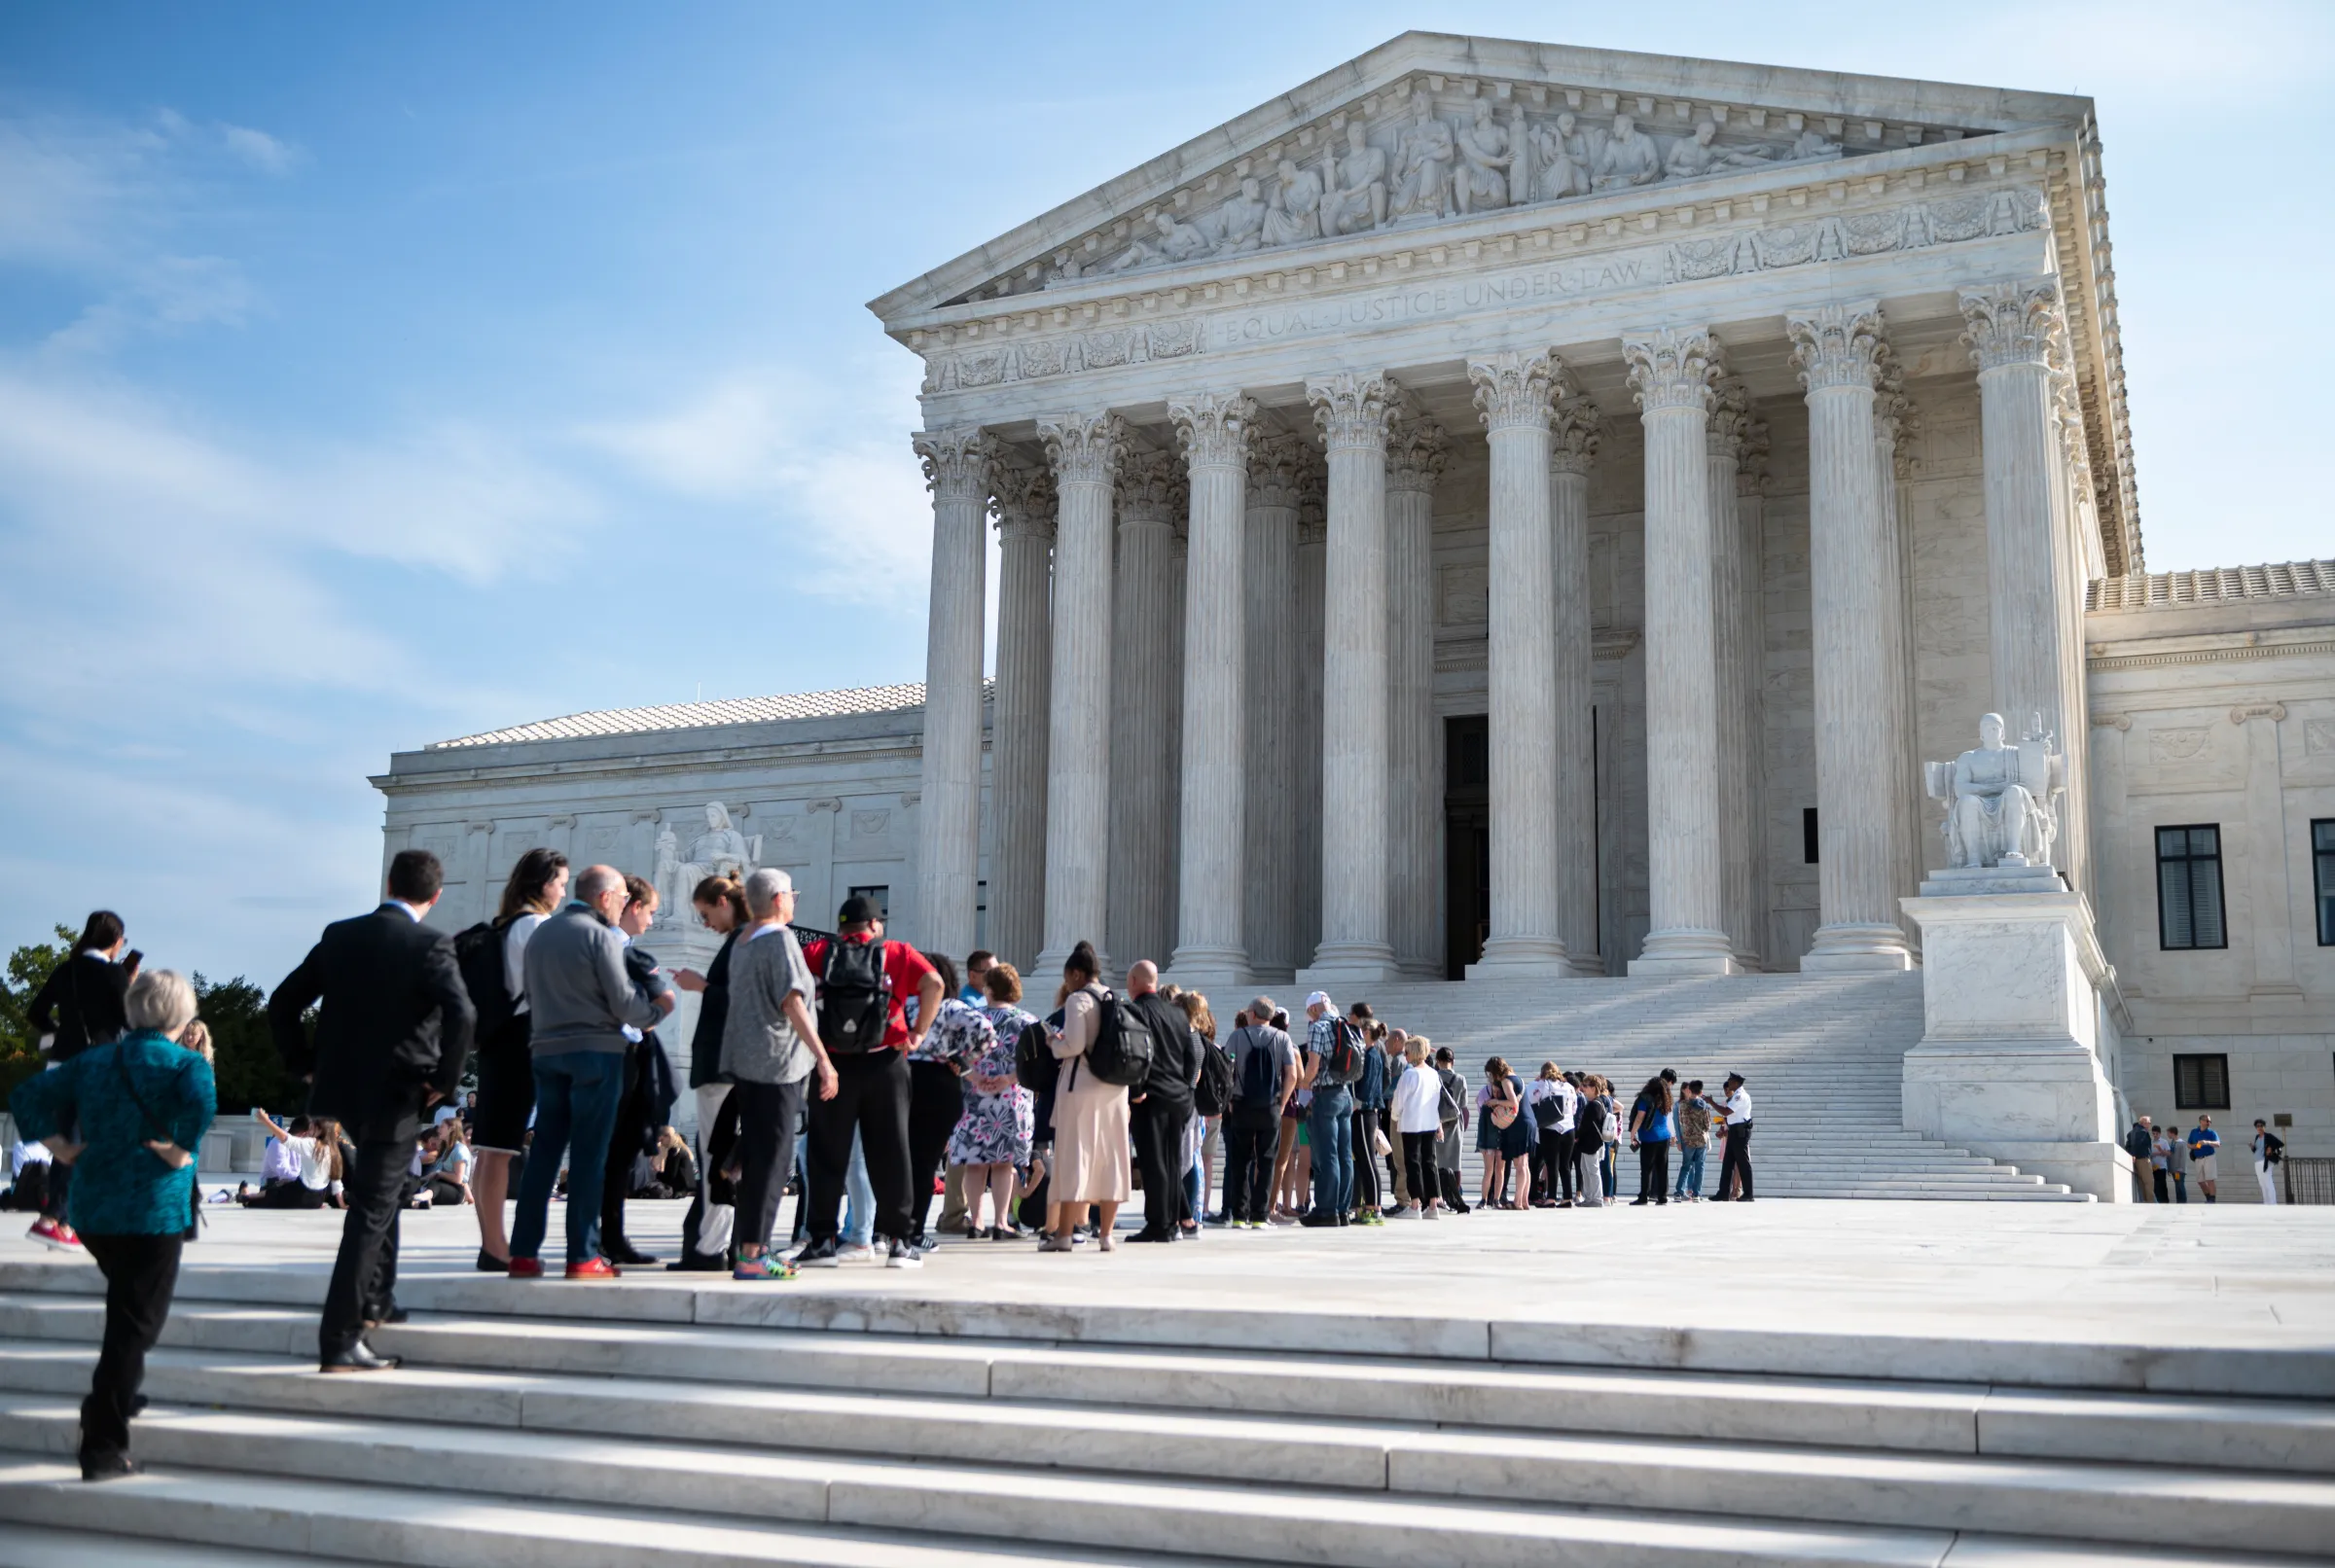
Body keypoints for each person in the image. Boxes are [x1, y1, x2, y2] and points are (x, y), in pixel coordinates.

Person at [271, 849, 475, 1371]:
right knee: (371, 1211)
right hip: (398, 1093)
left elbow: (284, 1001)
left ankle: (379, 1297)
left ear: (389, 883)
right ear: (435, 897)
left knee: (380, 1195)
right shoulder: (431, 943)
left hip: (341, 1092)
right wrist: (443, 1082)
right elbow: (463, 1014)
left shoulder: (342, 934)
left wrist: (304, 1065)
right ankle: (340, 1338)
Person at [10, 968, 214, 1480]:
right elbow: (202, 1107)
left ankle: (119, 1392)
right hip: (153, 1210)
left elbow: (27, 1096)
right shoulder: (186, 1064)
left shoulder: (95, 1059)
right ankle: (102, 1439)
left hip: (94, 1208)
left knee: (127, 1306)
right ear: (183, 1014)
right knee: (138, 1322)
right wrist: (179, 1151)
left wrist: (59, 1147)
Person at [507, 863, 671, 1281]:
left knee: (543, 1154)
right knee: (588, 1157)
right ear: (604, 897)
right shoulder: (599, 936)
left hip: (545, 1051)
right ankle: (582, 1255)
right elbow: (623, 1002)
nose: (622, 907)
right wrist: (657, 1011)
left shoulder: (541, 932)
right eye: (620, 899)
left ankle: (523, 1253)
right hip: (596, 1054)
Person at [795, 895, 944, 1269]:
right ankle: (900, 1244)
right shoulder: (896, 951)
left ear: (842, 926)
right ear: (875, 925)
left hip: (833, 1066)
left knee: (827, 1154)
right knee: (892, 1154)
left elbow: (792, 990)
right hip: (885, 1062)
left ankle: (822, 1242)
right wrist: (919, 1033)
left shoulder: (817, 951)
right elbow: (935, 983)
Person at [718, 868, 834, 1280]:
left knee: (758, 1156)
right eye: (793, 896)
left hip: (747, 1064)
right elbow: (792, 1002)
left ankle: (751, 1249)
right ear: (781, 898)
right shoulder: (781, 939)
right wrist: (823, 1057)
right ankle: (754, 1254)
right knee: (773, 1160)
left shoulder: (742, 942)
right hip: (779, 1064)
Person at [470, 848, 568, 1272]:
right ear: (544, 884)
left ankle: (492, 1242)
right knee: (499, 1148)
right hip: (521, 1037)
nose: (563, 891)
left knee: (491, 1149)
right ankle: (495, 1247)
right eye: (561, 883)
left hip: (498, 1038)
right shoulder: (536, 926)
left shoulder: (505, 924)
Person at [22, 910, 136, 1251]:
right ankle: (59, 1217)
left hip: (61, 1065)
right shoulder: (113, 973)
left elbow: (36, 1012)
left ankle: (62, 1220)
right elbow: (128, 1021)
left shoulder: (66, 969)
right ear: (115, 941)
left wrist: (59, 1034)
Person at [600, 874, 679, 1266]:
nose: (651, 920)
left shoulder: (621, 944)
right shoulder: (614, 945)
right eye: (649, 911)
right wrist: (653, 1013)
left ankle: (611, 1237)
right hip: (616, 1053)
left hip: (622, 1052)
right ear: (633, 907)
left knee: (620, 1150)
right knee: (612, 1150)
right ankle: (604, 1238)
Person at [669, 874, 746, 1270]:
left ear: (721, 901)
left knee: (716, 1156)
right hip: (727, 1066)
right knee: (722, 1156)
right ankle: (719, 1244)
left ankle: (711, 1248)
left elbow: (746, 1000)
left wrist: (701, 986)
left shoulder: (742, 942)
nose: (705, 924)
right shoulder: (742, 941)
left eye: (704, 914)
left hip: (721, 1066)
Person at [1042, 942, 1130, 1253]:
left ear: (1077, 973)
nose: (1066, 983)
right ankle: (1106, 1234)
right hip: (1115, 1090)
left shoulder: (1078, 1000)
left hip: (1081, 1087)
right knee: (1110, 1159)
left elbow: (1074, 1045)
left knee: (1073, 1157)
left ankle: (1064, 1234)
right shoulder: (1112, 997)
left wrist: (1055, 1042)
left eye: (1067, 977)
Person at [906, 953, 989, 1248]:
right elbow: (986, 1031)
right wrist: (965, 1060)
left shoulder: (906, 1003)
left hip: (902, 1077)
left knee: (898, 1159)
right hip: (939, 1080)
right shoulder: (951, 1006)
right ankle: (913, 1231)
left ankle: (885, 1228)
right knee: (926, 1162)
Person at [954, 962, 1038, 1239]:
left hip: (976, 1098)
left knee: (975, 1163)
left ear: (989, 989)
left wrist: (975, 1077)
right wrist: (1008, 1078)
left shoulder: (971, 1017)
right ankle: (1001, 1222)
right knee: (1004, 1164)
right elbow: (1034, 1063)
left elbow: (955, 1057)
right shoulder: (1026, 1021)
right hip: (1011, 1100)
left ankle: (976, 1222)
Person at [1123, 962, 1200, 1243]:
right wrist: (1187, 1091)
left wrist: (1135, 1090)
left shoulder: (1134, 1012)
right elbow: (1190, 1057)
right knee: (1171, 1161)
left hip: (1150, 1096)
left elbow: (1134, 1053)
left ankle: (1159, 1223)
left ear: (1133, 981)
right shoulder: (1178, 1015)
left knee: (1154, 1163)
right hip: (1178, 1097)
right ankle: (1169, 1224)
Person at [1222, 997, 1294, 1228]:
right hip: (1270, 1106)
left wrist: (1230, 1099)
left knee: (1240, 1160)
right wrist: (1282, 1103)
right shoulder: (1282, 1038)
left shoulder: (1237, 1036)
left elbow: (1226, 1072)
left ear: (1252, 1014)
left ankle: (1240, 1215)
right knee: (1267, 1160)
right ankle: (1261, 1215)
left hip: (1242, 1104)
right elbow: (1292, 1075)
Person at [1300, 992, 1355, 1229]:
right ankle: (1342, 1210)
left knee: (1326, 1154)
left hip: (1326, 1094)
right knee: (1344, 1154)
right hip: (1345, 1093)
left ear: (1313, 1009)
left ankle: (1326, 1209)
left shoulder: (1318, 1027)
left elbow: (1313, 1065)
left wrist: (1303, 1083)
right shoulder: (1344, 1024)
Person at [1391, 1038, 1446, 1220]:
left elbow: (1398, 1100)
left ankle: (1415, 1204)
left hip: (1411, 1123)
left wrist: (1395, 1117)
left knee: (1413, 1163)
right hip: (1429, 1123)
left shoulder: (1410, 1074)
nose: (1405, 1055)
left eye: (1406, 1052)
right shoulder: (1433, 1074)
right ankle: (1432, 1204)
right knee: (1430, 1163)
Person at [240, 1109, 334, 1208]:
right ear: (304, 1133)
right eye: (311, 1131)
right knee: (264, 1198)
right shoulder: (277, 1144)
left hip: (294, 1183)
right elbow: (282, 1172)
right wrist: (301, 1179)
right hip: (274, 1182)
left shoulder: (308, 1145)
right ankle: (247, 1196)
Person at [1347, 1007, 1386, 1225]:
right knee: (1363, 1160)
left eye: (1361, 1031)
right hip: (1363, 1112)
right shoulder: (1370, 1053)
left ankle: (1374, 1207)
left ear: (1367, 1033)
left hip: (1364, 1112)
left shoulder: (1372, 1055)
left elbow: (1368, 1085)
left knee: (1368, 1161)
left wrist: (1356, 1104)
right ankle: (1370, 1205)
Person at [1478, 1057, 1527, 1211]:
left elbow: (1513, 1104)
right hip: (1489, 1141)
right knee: (1489, 1170)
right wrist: (1482, 1144)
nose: (1497, 1093)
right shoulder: (1488, 1106)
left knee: (1500, 1170)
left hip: (1502, 1139)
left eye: (1498, 1091)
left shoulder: (1505, 1093)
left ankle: (1496, 1199)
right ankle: (1484, 1199)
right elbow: (1483, 1126)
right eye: (1494, 1091)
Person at [1527, 1062, 1577, 1207]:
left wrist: (1537, 1081)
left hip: (1550, 1128)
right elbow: (1574, 1109)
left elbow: (1530, 1098)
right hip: (1568, 1128)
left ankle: (1551, 1198)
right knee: (1565, 1165)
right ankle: (1567, 1197)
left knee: (1551, 1165)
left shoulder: (1540, 1085)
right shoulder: (1569, 1087)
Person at [1628, 1075, 1674, 1206]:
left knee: (1646, 1168)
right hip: (1664, 1136)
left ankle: (1643, 1197)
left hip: (1649, 1137)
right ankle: (1662, 1197)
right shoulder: (1666, 1099)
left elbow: (1639, 1117)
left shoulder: (1645, 1099)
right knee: (1662, 1168)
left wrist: (1633, 1133)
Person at [1433, 1046, 1469, 1213]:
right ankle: (1455, 1196)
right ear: (1452, 1061)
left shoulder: (1434, 1077)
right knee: (1455, 1163)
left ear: (1437, 1061)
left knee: (1436, 1161)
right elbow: (1463, 1105)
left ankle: (1439, 1196)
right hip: (1455, 1124)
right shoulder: (1460, 1079)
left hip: (1435, 1123)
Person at [1713, 1072, 1754, 1202]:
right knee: (1727, 1163)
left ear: (1736, 1083)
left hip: (1740, 1132)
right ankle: (1723, 1193)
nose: (1728, 1083)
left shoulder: (1740, 1096)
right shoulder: (1735, 1096)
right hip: (1733, 1131)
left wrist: (1711, 1102)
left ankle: (1748, 1193)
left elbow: (1726, 1111)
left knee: (1743, 1163)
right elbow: (1728, 1116)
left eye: (1730, 1081)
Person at [1572, 1076, 1609, 1208]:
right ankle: (1589, 1198)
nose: (1583, 1089)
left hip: (1591, 1144)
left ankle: (1596, 1198)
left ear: (1594, 1088)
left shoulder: (1594, 1105)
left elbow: (1587, 1125)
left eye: (1586, 1086)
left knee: (1592, 1171)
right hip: (1589, 1144)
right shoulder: (1597, 1103)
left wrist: (1577, 1136)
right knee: (1586, 1170)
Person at [1672, 1081, 1712, 1201]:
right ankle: (1696, 1194)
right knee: (1700, 1167)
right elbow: (1708, 1126)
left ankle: (1679, 1192)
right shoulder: (1704, 1106)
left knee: (1686, 1166)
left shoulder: (1682, 1105)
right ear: (1701, 1092)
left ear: (1689, 1090)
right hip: (1701, 1139)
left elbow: (1680, 1123)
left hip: (1688, 1140)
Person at [422, 1118, 473, 1207]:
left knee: (435, 1184)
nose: (439, 1129)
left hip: (457, 1190)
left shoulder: (459, 1150)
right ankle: (418, 1201)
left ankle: (422, 1197)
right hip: (447, 1187)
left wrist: (438, 1173)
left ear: (451, 1129)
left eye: (442, 1127)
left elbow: (459, 1179)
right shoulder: (446, 1149)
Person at [2122, 1115, 2157, 1204]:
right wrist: (2134, 1154)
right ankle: (2151, 1202)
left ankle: (2145, 1201)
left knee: (2141, 1182)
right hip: (2143, 1159)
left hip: (2136, 1160)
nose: (2150, 1124)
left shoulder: (2131, 1132)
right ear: (2144, 1123)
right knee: (2149, 1181)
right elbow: (2138, 1144)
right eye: (2149, 1122)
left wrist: (2132, 1155)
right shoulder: (2143, 1132)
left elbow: (2128, 1146)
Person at [2189, 1115, 2220, 1203]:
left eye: (2210, 1121)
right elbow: (2189, 1144)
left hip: (2209, 1157)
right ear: (2201, 1121)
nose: (2208, 1123)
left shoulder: (2212, 1133)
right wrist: (2196, 1146)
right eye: (2207, 1121)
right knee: (2200, 1181)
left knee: (2210, 1179)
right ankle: (2208, 1197)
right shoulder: (2194, 1132)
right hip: (2198, 1158)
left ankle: (2212, 1199)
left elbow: (2218, 1144)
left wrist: (2207, 1142)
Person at [2251, 1120, 2283, 1205]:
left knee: (2268, 1181)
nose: (2259, 1128)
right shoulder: (2257, 1137)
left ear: (2264, 1127)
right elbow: (2257, 1150)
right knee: (2262, 1182)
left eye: (2261, 1126)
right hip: (2257, 1162)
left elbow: (2280, 1145)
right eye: (2257, 1126)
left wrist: (2271, 1149)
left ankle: (2273, 1203)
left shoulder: (2268, 1136)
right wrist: (2252, 1147)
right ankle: (2266, 1202)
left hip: (2266, 1161)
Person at [2162, 1120, 2188, 1204]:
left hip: (2179, 1170)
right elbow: (2169, 1156)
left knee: (2180, 1186)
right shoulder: (2171, 1143)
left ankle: (2183, 1202)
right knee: (2177, 1186)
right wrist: (2169, 1168)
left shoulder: (2181, 1143)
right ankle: (2179, 1202)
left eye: (2168, 1133)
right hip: (2173, 1169)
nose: (2167, 1135)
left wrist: (2180, 1168)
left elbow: (2182, 1157)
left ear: (2172, 1133)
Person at [2149, 1123, 2173, 1205]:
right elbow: (2149, 1153)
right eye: (2153, 1134)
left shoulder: (2164, 1142)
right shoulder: (2150, 1142)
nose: (2155, 1135)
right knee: (2155, 1185)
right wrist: (2153, 1154)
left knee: (2162, 1185)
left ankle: (2165, 1202)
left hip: (2162, 1167)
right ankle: (2157, 1202)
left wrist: (2161, 1151)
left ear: (2160, 1133)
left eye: (2156, 1134)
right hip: (2153, 1167)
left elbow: (2169, 1153)